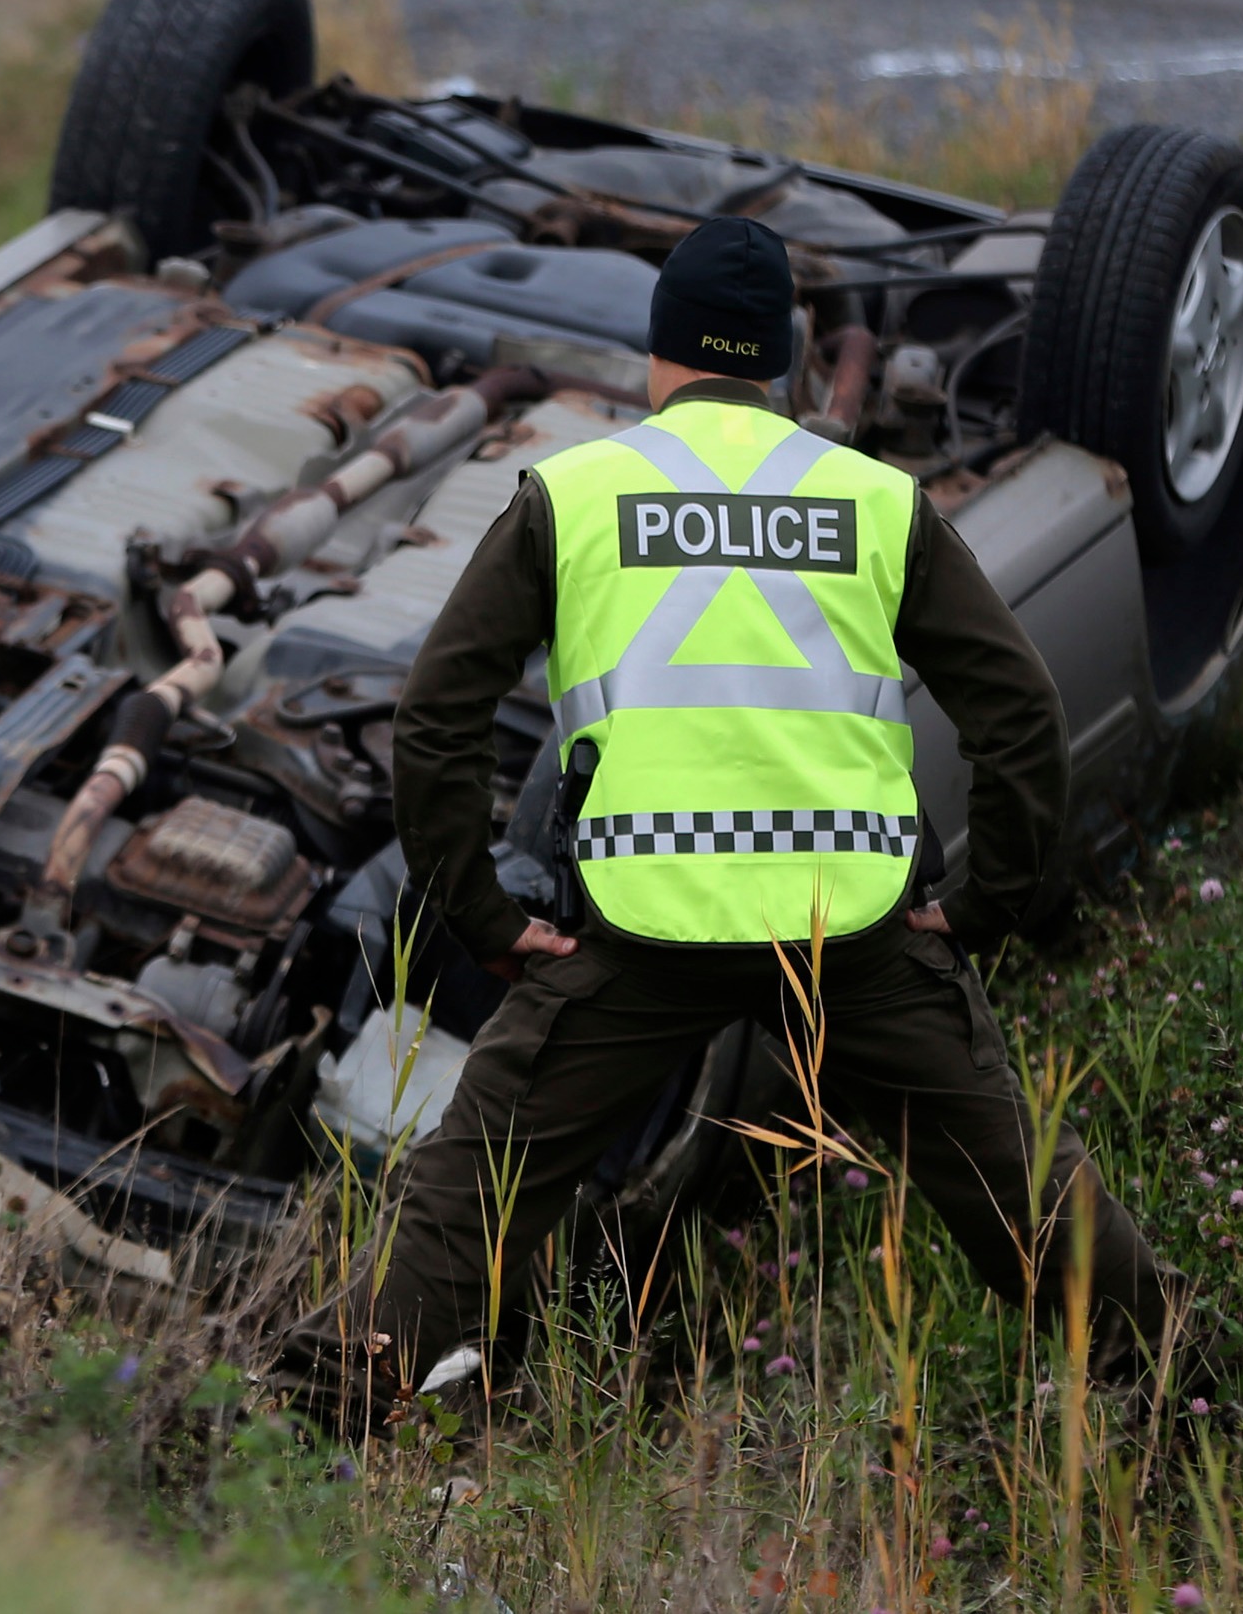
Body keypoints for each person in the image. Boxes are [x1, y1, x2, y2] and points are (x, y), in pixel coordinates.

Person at [276, 215, 1182, 1413]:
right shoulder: (877, 502)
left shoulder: (574, 496)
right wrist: (985, 904)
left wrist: (487, 917)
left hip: (644, 938)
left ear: (659, 358)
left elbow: (436, 721)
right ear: (784, 367)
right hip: (853, 941)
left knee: (472, 1191)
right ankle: (1188, 1396)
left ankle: (302, 1433)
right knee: (1016, 1187)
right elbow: (1018, 712)